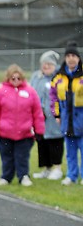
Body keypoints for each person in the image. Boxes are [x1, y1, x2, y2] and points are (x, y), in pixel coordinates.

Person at [0, 64, 45, 186]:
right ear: (8, 78)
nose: (16, 81)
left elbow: (37, 112)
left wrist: (39, 130)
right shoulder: (0, 93)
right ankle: (6, 177)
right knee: (6, 157)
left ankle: (23, 175)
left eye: (18, 78)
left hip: (24, 133)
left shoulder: (30, 92)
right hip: (5, 132)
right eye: (13, 78)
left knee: (22, 157)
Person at [50, 41, 83, 186]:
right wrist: (57, 114)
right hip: (66, 119)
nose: (71, 59)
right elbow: (53, 97)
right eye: (68, 56)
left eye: (73, 56)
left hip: (81, 118)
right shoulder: (58, 77)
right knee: (70, 151)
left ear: (78, 58)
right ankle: (71, 175)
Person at [30, 50, 64, 180]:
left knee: (55, 141)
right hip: (39, 117)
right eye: (44, 64)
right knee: (42, 143)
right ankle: (47, 168)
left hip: (54, 118)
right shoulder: (36, 77)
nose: (46, 66)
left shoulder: (58, 78)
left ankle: (57, 168)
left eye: (49, 64)